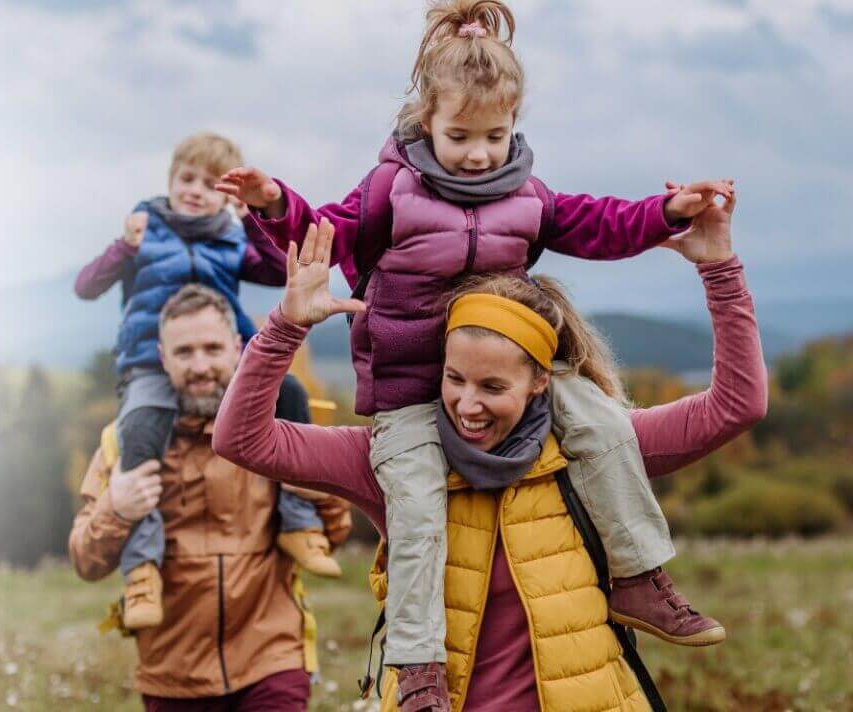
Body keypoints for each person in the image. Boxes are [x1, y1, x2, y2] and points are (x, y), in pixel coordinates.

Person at [214, 0, 735, 699]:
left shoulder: (527, 194)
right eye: (460, 135)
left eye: (497, 134)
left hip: (510, 368)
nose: (480, 152)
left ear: (515, 124)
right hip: (409, 394)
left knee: (606, 424)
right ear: (424, 121)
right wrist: (274, 203)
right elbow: (323, 237)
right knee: (420, 514)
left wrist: (667, 214)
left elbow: (600, 223)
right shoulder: (389, 192)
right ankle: (421, 667)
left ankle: (638, 576)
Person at [212, 192, 764, 711]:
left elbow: (736, 405)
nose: (467, 405)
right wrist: (285, 327)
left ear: (539, 382)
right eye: (455, 379)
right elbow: (242, 438)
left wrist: (718, 268)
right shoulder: (396, 459)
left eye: (493, 388)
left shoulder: (598, 448)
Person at [75, 132, 340, 630]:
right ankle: (143, 570)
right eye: (187, 179)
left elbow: (274, 269)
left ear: (228, 198)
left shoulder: (229, 236)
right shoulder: (145, 230)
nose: (196, 191)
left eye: (210, 185)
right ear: (171, 180)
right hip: (150, 359)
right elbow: (86, 286)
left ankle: (298, 521)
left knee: (292, 395)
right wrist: (121, 247)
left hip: (227, 355)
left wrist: (257, 226)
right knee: (140, 434)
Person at [69, 284, 353, 711]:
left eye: (211, 349)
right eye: (184, 352)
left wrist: (321, 493)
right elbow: (85, 561)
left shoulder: (276, 432)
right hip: (173, 676)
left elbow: (335, 534)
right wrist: (117, 509)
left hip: (272, 662)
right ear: (163, 358)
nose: (200, 366)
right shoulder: (122, 444)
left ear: (237, 348)